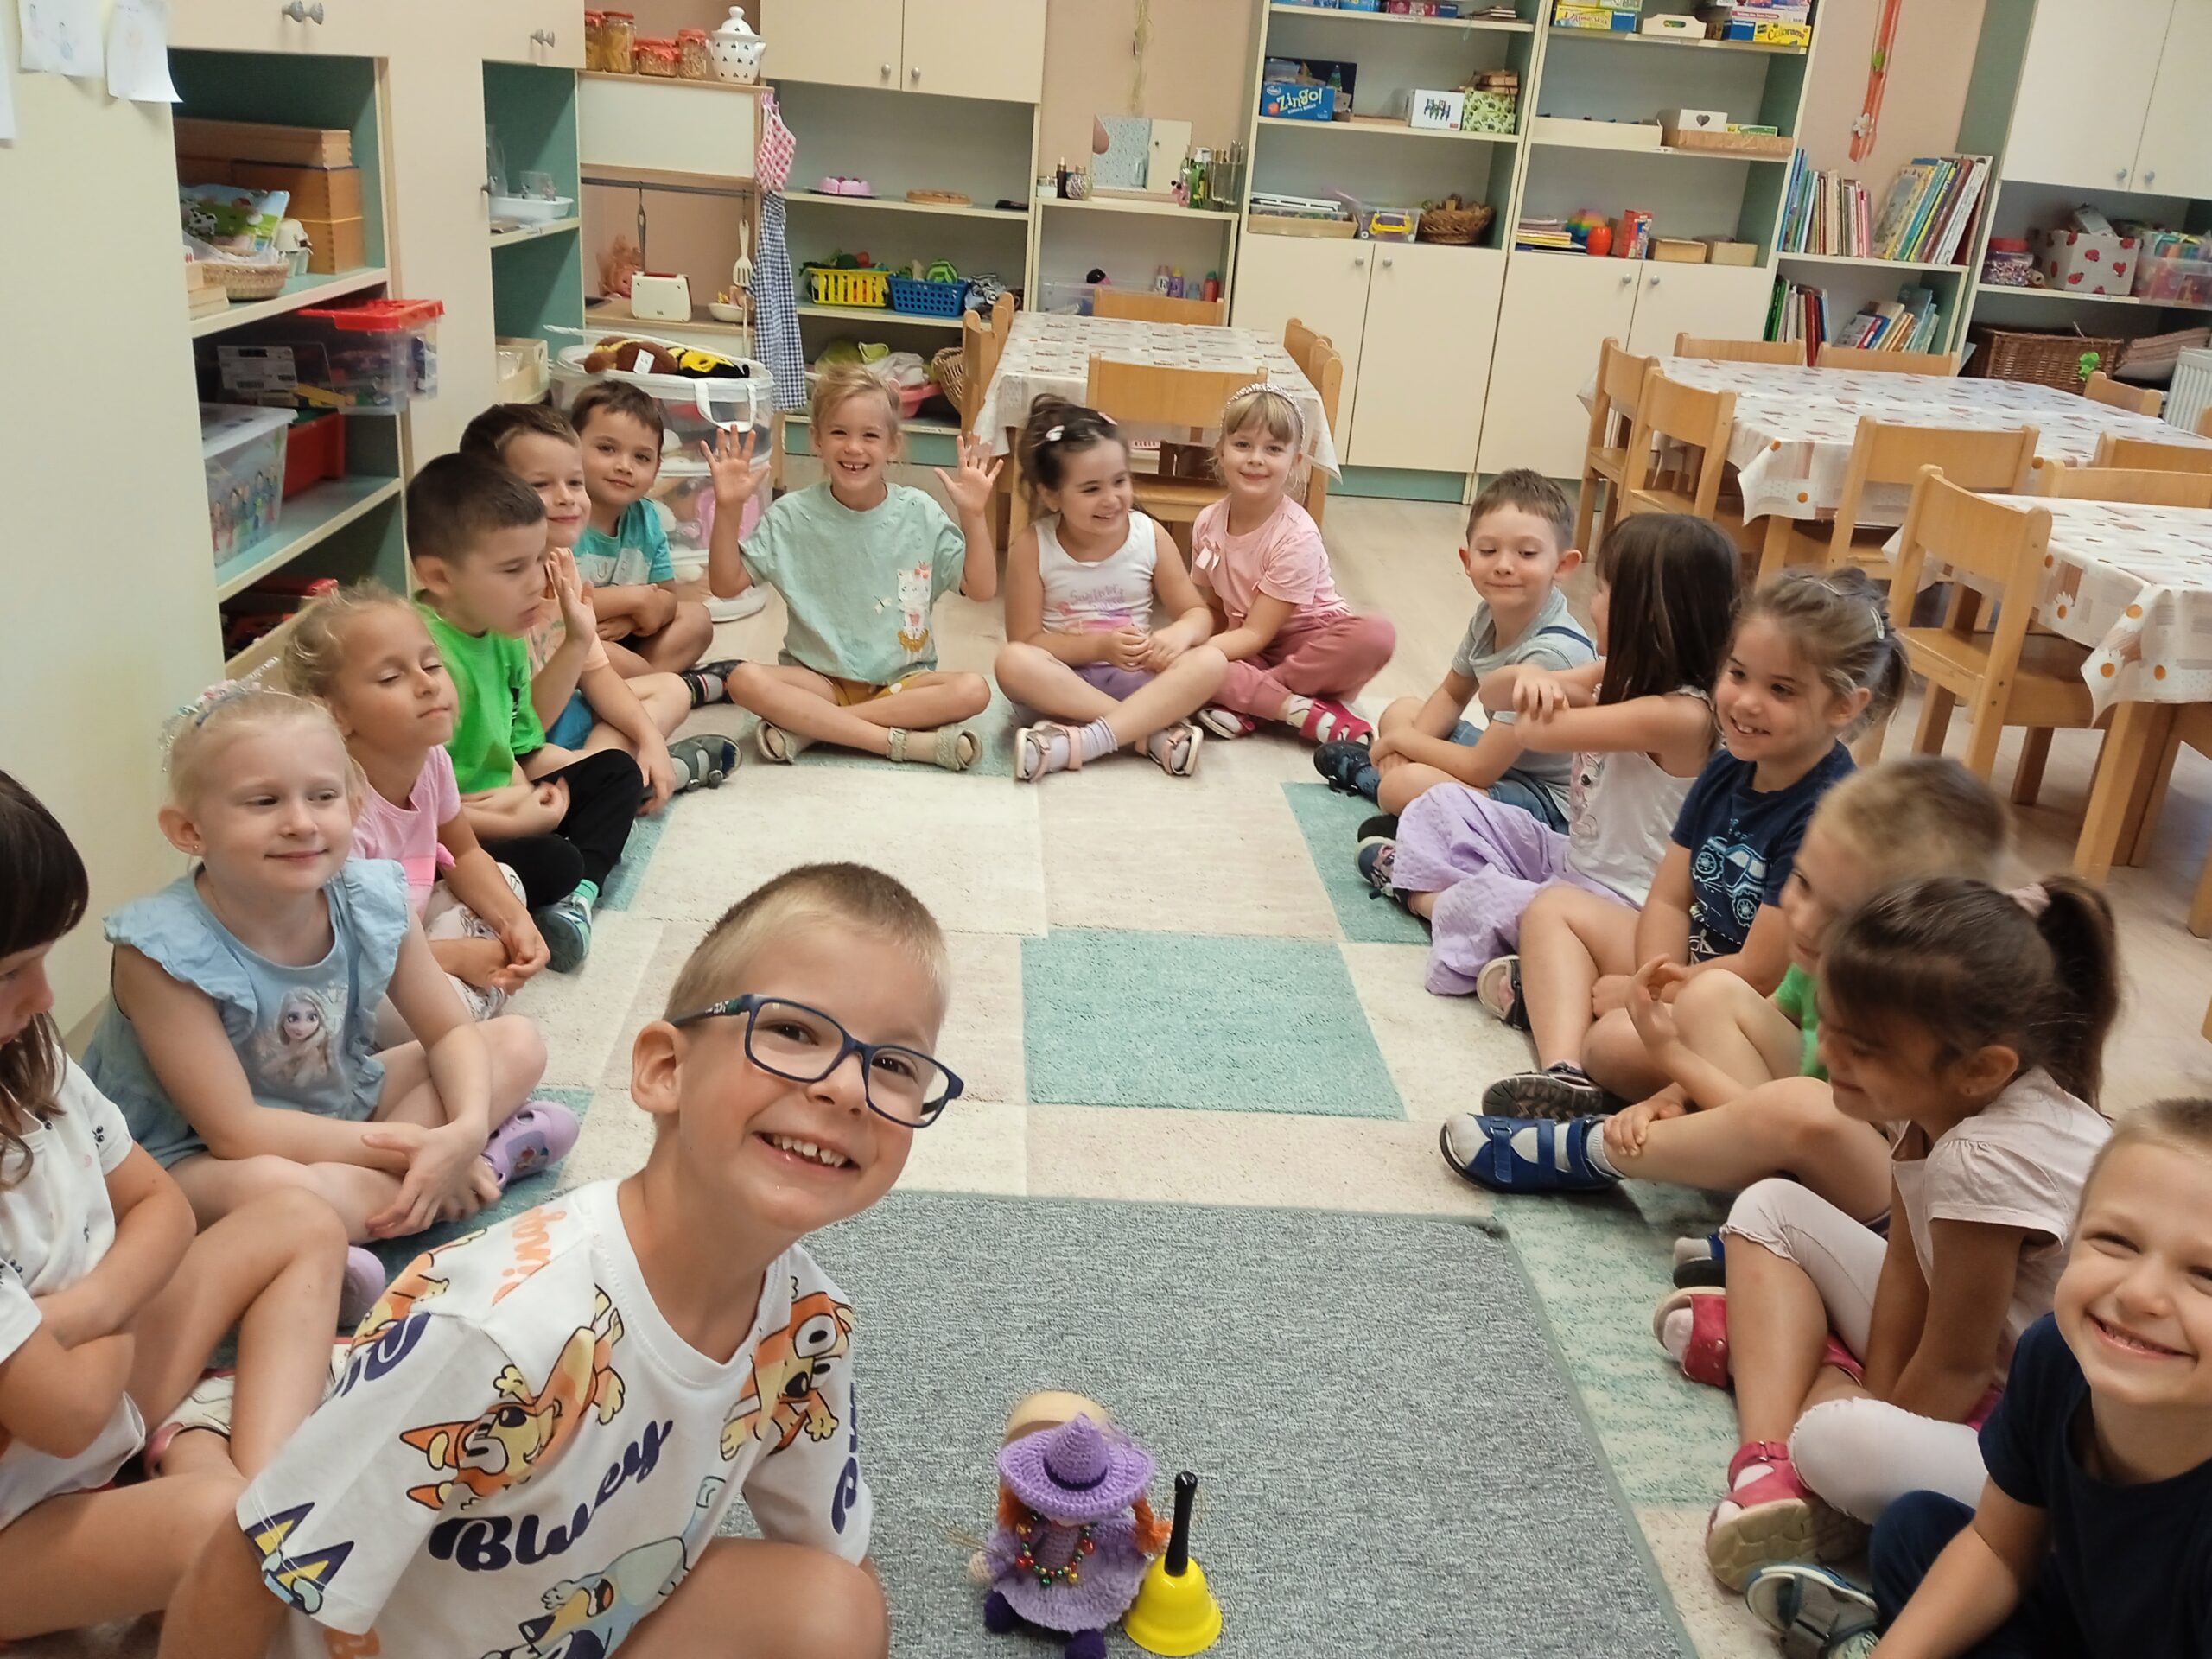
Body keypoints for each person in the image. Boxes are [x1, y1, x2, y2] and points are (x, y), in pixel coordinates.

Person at [156, 862, 957, 1659]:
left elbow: (832, 1553)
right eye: (793, 1032)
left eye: (894, 1065)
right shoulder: (498, 1330)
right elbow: (244, 1569)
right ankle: (203, 1432)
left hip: (571, 1618)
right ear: (666, 1069)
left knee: (835, 1613)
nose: (847, 1088)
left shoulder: (809, 1328)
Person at [1672, 875, 2117, 1593]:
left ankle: (1779, 1366)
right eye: (1831, 1024)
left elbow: (1957, 1365)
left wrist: (1868, 1422)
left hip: (2050, 1444)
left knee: (1833, 1439)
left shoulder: (1984, 1154)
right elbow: (1906, 1280)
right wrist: (1875, 1395)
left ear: (1981, 1068)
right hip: (1985, 1363)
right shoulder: (1933, 1103)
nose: (1828, 1055)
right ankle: (1771, 1452)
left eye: (1864, 1046)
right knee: (1768, 1207)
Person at [79, 683, 559, 1325]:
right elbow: (237, 1130)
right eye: (264, 801)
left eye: (323, 796)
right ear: (190, 830)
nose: (301, 822)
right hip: (193, 1154)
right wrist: (424, 1145)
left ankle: (395, 1204)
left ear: (354, 805)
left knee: (516, 1041)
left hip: (335, 1103)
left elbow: (449, 1032)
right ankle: (456, 1179)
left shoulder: (370, 896)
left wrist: (464, 1129)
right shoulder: (160, 951)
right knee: (283, 1189)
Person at [0, 772, 342, 1641]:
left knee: (300, 1219)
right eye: (9, 972)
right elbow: (65, 1412)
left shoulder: (27, 1052)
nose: (46, 998)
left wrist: (91, 1305)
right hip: (23, 1502)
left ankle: (247, 1483)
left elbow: (160, 1203)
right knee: (215, 1528)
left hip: (90, 1381)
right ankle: (210, 1484)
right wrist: (118, 1288)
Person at [1746, 1095, 2212, 1659]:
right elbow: (1998, 1547)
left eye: (2206, 1275)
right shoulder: (2054, 1354)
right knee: (1914, 1533)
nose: (2139, 1294)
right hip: (2089, 1619)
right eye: (2115, 1241)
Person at [1448, 759, 2008, 1204]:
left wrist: (1672, 1057)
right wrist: (1671, 1095)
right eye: (1802, 883)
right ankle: (1657, 1135)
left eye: (1841, 913)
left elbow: (1790, 1122)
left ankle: (1591, 1153)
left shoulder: (1907, 1016)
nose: (1805, 920)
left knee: (1791, 1100)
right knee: (1705, 997)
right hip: (1800, 1138)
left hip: (1875, 1194)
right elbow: (1772, 1044)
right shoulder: (1826, 965)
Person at [1476, 569, 1903, 1120]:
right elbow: (1670, 898)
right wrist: (1648, 979)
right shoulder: (1729, 766)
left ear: (1844, 706)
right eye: (1738, 674)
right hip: (1693, 965)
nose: (1745, 702)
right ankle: (1565, 1074)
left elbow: (1763, 973)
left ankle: (1578, 1022)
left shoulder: (1826, 812)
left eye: (1781, 690)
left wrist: (1651, 997)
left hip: (1751, 1014)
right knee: (1554, 908)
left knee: (1613, 1043)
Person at [1363, 512, 1732, 1005]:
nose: (1591, 604)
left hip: (1621, 905)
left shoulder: (1682, 715)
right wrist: (1532, 678)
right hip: (1570, 859)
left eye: (1602, 592)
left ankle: (1419, 895)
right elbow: (1494, 693)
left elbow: (1531, 730)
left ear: (1643, 612)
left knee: (1508, 898)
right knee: (1441, 806)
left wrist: (1553, 688)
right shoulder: (1617, 673)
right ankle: (1516, 948)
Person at [410, 451, 649, 970]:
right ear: (440, 576)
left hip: (502, 801)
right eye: (512, 569)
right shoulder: (416, 659)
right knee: (556, 858)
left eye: (539, 560)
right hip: (446, 834)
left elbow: (521, 739)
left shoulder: (502, 630)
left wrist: (578, 640)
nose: (535, 582)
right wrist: (510, 819)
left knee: (618, 773)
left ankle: (578, 897)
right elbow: (404, 810)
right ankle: (571, 876)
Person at [702, 365, 1000, 770]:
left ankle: (814, 729)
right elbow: (725, 585)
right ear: (817, 439)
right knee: (741, 680)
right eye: (839, 432)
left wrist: (975, 516)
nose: (854, 448)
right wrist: (728, 508)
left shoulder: (920, 513)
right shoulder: (791, 515)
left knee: (974, 690)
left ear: (893, 445)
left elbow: (981, 589)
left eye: (870, 435)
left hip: (903, 683)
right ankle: (896, 742)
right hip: (817, 681)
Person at [283, 582, 551, 1029]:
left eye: (431, 664)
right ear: (334, 714)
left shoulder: (432, 759)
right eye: (392, 677)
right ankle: (459, 1015)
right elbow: (343, 954)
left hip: (409, 929)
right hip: (351, 969)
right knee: (403, 1007)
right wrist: (458, 957)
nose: (428, 684)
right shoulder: (333, 813)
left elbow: (464, 853)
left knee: (506, 882)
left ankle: (462, 1005)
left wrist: (517, 922)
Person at [460, 401, 741, 793]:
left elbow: (597, 675)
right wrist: (582, 643)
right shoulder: (495, 598)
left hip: (560, 719)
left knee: (672, 691)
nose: (566, 498)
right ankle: (614, 780)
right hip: (516, 746)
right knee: (534, 771)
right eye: (541, 485)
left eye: (575, 483)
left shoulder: (560, 563)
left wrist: (648, 736)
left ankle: (608, 775)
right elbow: (520, 734)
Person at [1313, 468, 1594, 823]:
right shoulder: (1488, 615)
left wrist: (1403, 744)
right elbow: (1452, 693)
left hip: (1551, 802)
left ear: (1563, 565)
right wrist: (1406, 743)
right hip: (1503, 763)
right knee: (1402, 710)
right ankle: (1399, 789)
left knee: (1404, 783)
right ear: (1467, 560)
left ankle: (1379, 783)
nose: (1504, 566)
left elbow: (1479, 769)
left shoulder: (1551, 653)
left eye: (1526, 553)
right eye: (1488, 551)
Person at [992, 398, 1225, 780]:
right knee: (1011, 662)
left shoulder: (1149, 535)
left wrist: (1179, 634)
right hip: (1065, 687)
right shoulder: (1033, 546)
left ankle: (1088, 740)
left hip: (1139, 680)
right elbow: (1027, 640)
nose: (1111, 499)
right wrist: (1099, 647)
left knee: (1212, 661)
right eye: (1090, 489)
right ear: (1051, 495)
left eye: (1120, 481)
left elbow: (1197, 613)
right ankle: (1147, 732)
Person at [1187, 385, 1395, 745]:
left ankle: (1259, 702)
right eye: (1242, 444)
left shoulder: (1298, 535)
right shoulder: (1207, 522)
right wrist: (1189, 642)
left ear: (1295, 461)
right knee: (1193, 664)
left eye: (1273, 449)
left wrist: (1199, 659)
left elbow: (1257, 633)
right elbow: (1217, 610)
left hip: (1311, 645)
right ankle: (1298, 707)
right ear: (1220, 451)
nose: (1256, 458)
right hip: (1252, 647)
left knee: (1376, 634)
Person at [568, 381, 718, 679]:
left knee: (697, 619)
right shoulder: (560, 516)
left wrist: (634, 620)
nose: (625, 466)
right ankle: (649, 684)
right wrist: (634, 599)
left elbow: (667, 596)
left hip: (624, 637)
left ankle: (637, 683)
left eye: (642, 457)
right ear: (570, 449)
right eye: (607, 449)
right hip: (571, 641)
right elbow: (557, 609)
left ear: (657, 468)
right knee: (591, 651)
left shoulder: (647, 518)